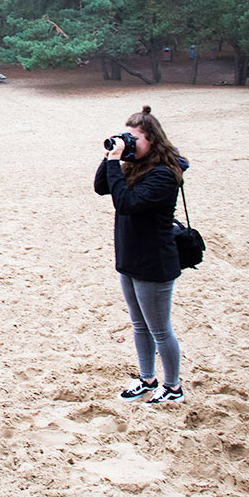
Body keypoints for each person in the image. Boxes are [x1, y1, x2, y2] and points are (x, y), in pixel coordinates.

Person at [93, 105, 189, 405]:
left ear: (152, 140)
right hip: (130, 258)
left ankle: (173, 387)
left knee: (160, 330)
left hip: (154, 262)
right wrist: (111, 156)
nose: (130, 143)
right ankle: (147, 379)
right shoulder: (134, 166)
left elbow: (127, 203)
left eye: (135, 138)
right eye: (127, 137)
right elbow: (100, 188)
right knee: (139, 325)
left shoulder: (164, 174)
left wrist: (115, 162)